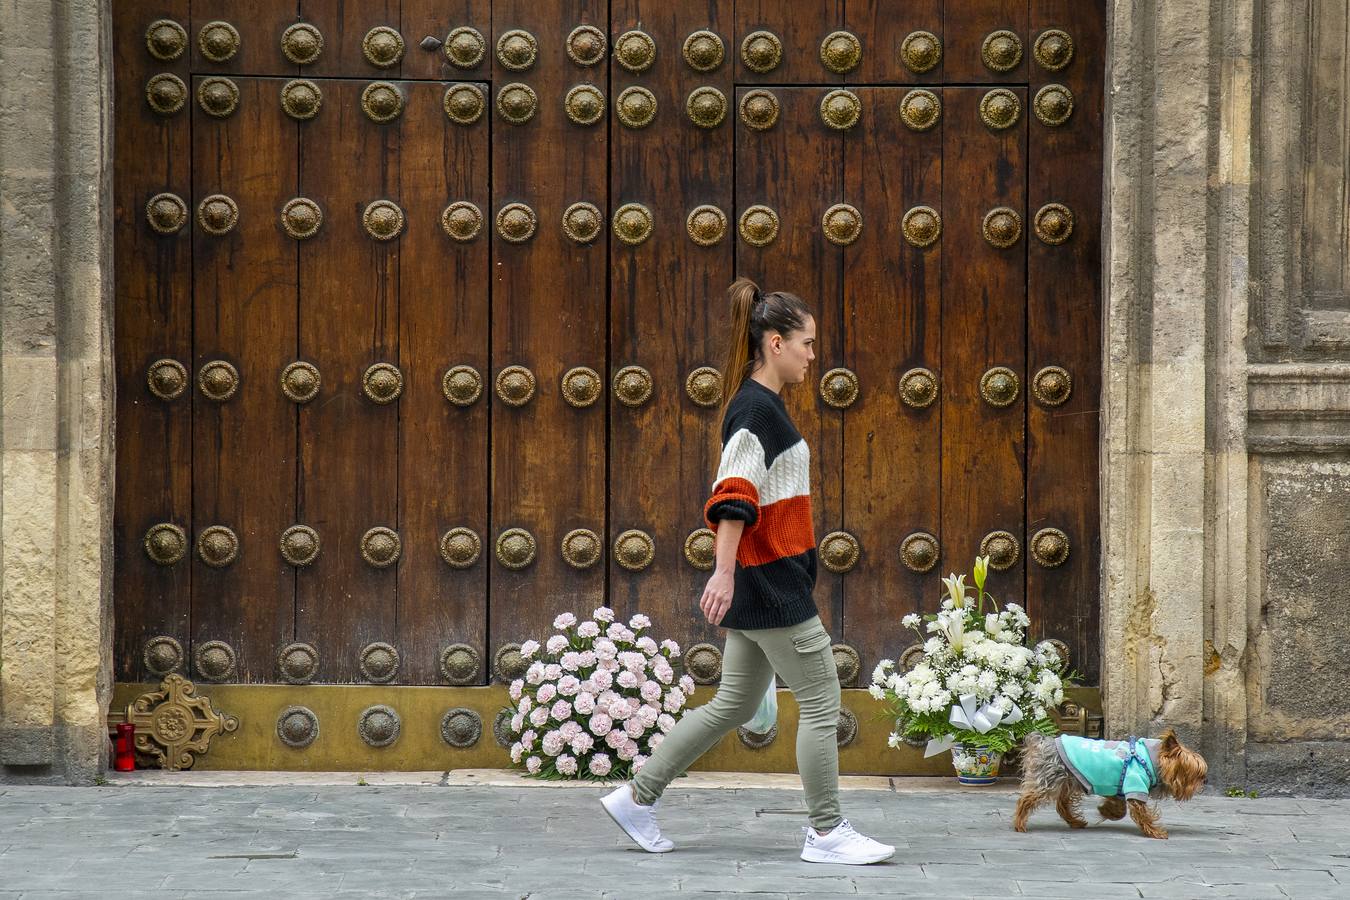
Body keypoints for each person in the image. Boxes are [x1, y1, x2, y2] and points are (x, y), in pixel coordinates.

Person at [600, 277, 895, 865]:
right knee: (820, 698)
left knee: (732, 703)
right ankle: (826, 832)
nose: (814, 356)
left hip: (764, 578)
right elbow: (733, 494)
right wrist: (725, 573)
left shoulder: (761, 405)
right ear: (776, 343)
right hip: (771, 583)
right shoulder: (756, 410)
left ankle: (637, 798)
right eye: (808, 343)